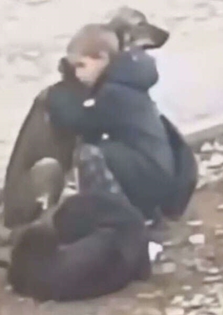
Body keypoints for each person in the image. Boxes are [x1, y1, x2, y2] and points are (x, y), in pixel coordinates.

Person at [47, 24, 175, 223]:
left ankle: (116, 218)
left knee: (89, 154)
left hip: (151, 175)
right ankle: (136, 212)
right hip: (155, 170)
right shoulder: (125, 80)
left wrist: (58, 98)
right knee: (101, 149)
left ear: (102, 58)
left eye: (81, 66)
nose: (78, 74)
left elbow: (82, 122)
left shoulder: (114, 92)